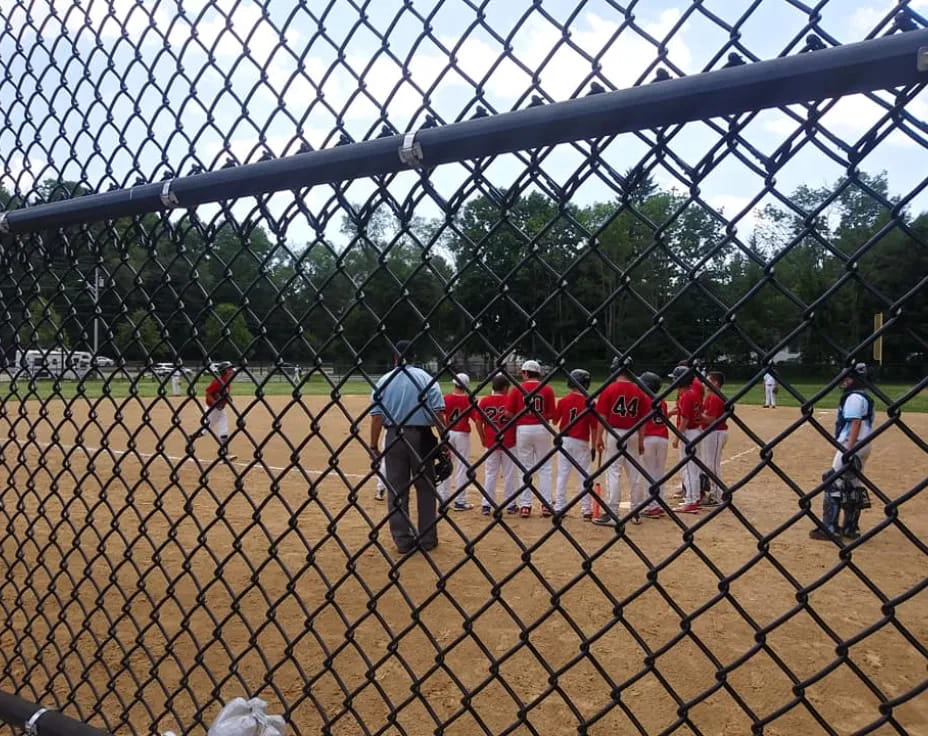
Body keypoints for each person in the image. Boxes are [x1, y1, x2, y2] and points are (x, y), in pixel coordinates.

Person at [368, 340, 447, 554]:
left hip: (393, 435)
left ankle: (403, 541)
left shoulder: (383, 380)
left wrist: (374, 444)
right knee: (426, 489)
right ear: (414, 357)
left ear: (395, 358)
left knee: (396, 490)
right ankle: (427, 538)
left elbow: (376, 418)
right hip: (421, 437)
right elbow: (438, 414)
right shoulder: (426, 379)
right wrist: (445, 441)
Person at [810, 363, 876, 542]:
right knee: (853, 483)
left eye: (848, 377)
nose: (845, 381)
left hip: (850, 444)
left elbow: (855, 422)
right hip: (864, 444)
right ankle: (850, 527)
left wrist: (849, 449)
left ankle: (830, 527)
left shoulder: (854, 397)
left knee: (833, 480)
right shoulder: (865, 396)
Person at [593, 357, 647, 526]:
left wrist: (598, 438)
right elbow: (643, 420)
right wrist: (640, 440)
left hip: (614, 433)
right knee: (634, 473)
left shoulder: (609, 389)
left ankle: (612, 513)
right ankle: (636, 512)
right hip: (633, 433)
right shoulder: (639, 391)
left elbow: (602, 417)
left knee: (613, 472)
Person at [505, 359, 557, 518]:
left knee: (525, 467)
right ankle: (546, 504)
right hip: (542, 428)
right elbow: (550, 414)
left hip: (523, 429)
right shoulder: (547, 389)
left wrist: (521, 417)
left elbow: (508, 413)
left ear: (526, 373)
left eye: (523, 372)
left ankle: (525, 505)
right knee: (545, 468)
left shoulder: (516, 389)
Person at [554, 369, 596, 519]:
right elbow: (594, 427)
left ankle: (559, 507)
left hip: (564, 441)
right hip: (582, 442)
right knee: (584, 475)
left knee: (562, 474)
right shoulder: (589, 402)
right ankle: (586, 510)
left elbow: (554, 420)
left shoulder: (563, 400)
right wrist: (594, 446)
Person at [476, 373, 518, 516]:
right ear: (505, 387)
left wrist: (482, 437)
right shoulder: (510, 400)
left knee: (490, 474)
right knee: (509, 474)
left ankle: (486, 505)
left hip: (490, 442)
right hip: (509, 441)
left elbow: (478, 421)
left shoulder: (485, 401)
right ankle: (511, 505)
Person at [439, 373, 476, 511]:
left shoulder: (446, 398)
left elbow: (438, 415)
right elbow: (476, 418)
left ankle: (443, 500)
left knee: (446, 465)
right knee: (462, 468)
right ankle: (460, 501)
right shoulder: (469, 400)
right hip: (462, 434)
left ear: (454, 383)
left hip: (447, 432)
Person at [635, 371, 669, 519]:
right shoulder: (662, 401)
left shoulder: (643, 400)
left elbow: (640, 422)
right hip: (663, 438)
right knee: (659, 472)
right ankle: (659, 505)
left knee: (648, 472)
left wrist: (639, 441)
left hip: (649, 438)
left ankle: (650, 505)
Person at [188, 361, 237, 460]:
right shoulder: (218, 382)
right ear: (224, 371)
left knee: (224, 427)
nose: (232, 370)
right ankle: (190, 438)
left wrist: (228, 398)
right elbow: (208, 394)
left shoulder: (227, 382)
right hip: (212, 410)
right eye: (229, 369)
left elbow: (224, 393)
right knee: (205, 431)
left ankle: (224, 453)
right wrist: (215, 403)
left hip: (220, 410)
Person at [672, 375, 704, 514]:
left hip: (689, 433)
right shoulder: (694, 394)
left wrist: (677, 437)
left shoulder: (686, 396)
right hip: (696, 431)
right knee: (694, 468)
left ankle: (691, 500)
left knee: (688, 467)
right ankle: (694, 497)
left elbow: (685, 419)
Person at [698, 370, 729, 507]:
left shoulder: (715, 397)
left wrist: (697, 414)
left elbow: (711, 419)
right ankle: (714, 493)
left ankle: (717, 495)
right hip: (710, 433)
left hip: (715, 433)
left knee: (712, 465)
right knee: (708, 463)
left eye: (708, 380)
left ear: (715, 382)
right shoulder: (710, 396)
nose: (705, 382)